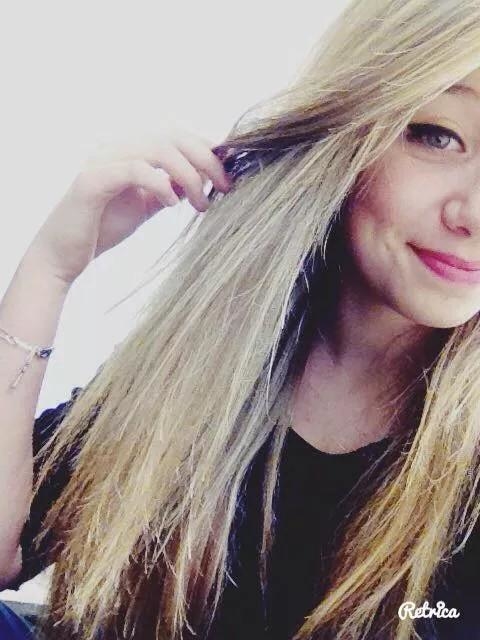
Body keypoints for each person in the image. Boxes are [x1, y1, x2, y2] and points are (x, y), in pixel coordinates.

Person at [2, 0, 480, 638]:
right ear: (344, 133)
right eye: (438, 136)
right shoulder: (197, 371)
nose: (473, 214)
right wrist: (47, 272)